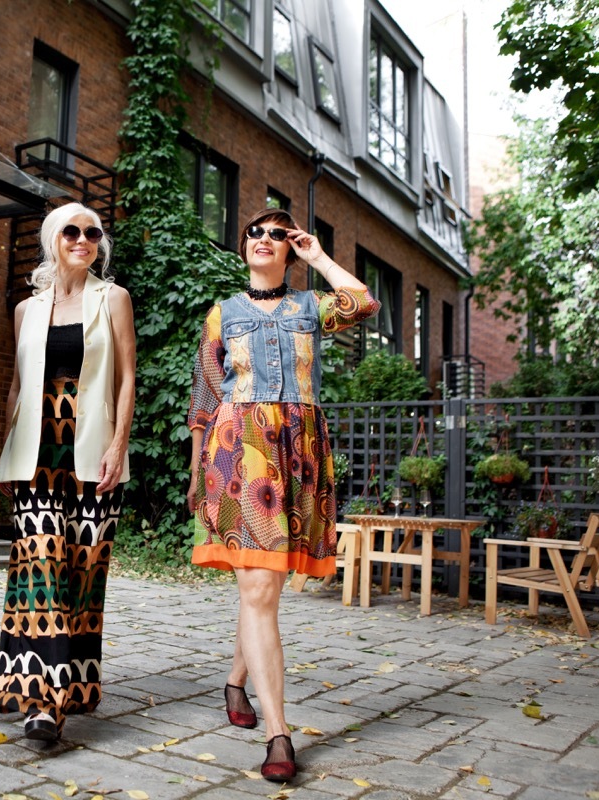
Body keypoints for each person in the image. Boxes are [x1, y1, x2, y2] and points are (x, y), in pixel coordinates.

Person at [186, 208, 379, 781]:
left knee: (262, 585)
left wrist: (318, 256)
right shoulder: (222, 314)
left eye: (277, 235)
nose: (265, 240)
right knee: (261, 587)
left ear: (289, 249)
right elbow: (204, 396)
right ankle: (279, 735)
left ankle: (235, 681)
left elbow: (364, 301)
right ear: (243, 244)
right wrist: (198, 472)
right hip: (237, 455)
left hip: (296, 455)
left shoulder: (308, 308)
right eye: (256, 232)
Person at [0, 202, 136, 742]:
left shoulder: (113, 298)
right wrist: (5, 452)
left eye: (92, 232)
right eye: (71, 231)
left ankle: (75, 687)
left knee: (83, 570)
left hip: (93, 450)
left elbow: (126, 379)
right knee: (38, 569)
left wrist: (118, 448)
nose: (82, 239)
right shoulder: (26, 309)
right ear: (53, 238)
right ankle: (41, 702)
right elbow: (16, 385)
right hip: (36, 454)